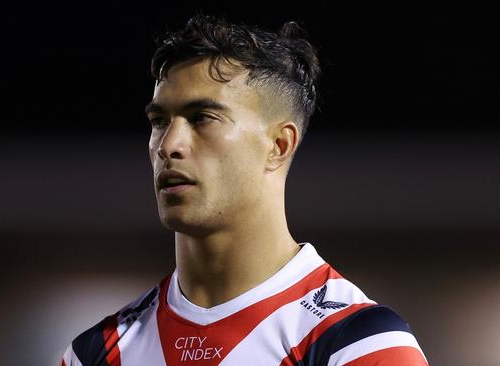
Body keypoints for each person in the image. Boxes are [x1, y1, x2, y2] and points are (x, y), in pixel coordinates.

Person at [61, 14, 428, 366]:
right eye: (159, 121)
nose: (168, 144)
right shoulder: (97, 353)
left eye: (202, 118)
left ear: (279, 145)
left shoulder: (355, 343)